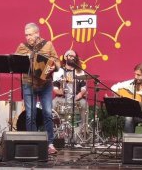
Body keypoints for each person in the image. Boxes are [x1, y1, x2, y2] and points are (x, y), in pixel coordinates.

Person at [15, 23, 60, 155]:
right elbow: (15, 61)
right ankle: (32, 141)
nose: (27, 37)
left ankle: (50, 143)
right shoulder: (23, 47)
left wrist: (54, 67)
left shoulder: (48, 45)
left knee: (47, 112)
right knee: (30, 114)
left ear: (37, 33)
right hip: (28, 83)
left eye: (30, 34)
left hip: (45, 84)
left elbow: (57, 61)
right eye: (26, 35)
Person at [110, 63, 142, 133]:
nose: (135, 77)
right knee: (128, 118)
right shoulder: (131, 83)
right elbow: (113, 88)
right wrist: (123, 97)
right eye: (135, 74)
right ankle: (129, 142)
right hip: (133, 113)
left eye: (138, 75)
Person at [52, 50, 88, 137]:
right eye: (70, 56)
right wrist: (61, 91)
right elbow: (55, 89)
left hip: (76, 98)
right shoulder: (59, 71)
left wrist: (80, 94)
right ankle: (54, 132)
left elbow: (83, 88)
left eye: (74, 56)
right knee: (52, 104)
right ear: (65, 57)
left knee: (84, 104)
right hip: (62, 98)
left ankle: (83, 132)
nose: (72, 58)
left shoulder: (80, 71)